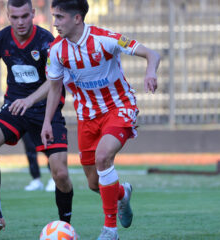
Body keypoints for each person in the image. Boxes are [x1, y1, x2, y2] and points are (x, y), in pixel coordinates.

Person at [41, 0, 160, 239]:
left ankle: (110, 230)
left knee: (103, 157)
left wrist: (150, 71)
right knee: (95, 183)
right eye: (53, 17)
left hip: (119, 107)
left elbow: (151, 53)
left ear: (77, 18)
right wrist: (46, 122)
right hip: (87, 117)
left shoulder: (105, 38)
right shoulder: (55, 51)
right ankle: (122, 194)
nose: (54, 23)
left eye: (60, 17)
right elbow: (54, 89)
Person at [0, 0, 73, 233]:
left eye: (25, 16)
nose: (20, 22)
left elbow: (54, 81)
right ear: (7, 16)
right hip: (15, 106)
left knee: (61, 173)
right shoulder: (0, 39)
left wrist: (30, 100)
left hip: (46, 109)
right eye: (14, 18)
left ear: (33, 14)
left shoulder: (48, 42)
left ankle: (65, 226)